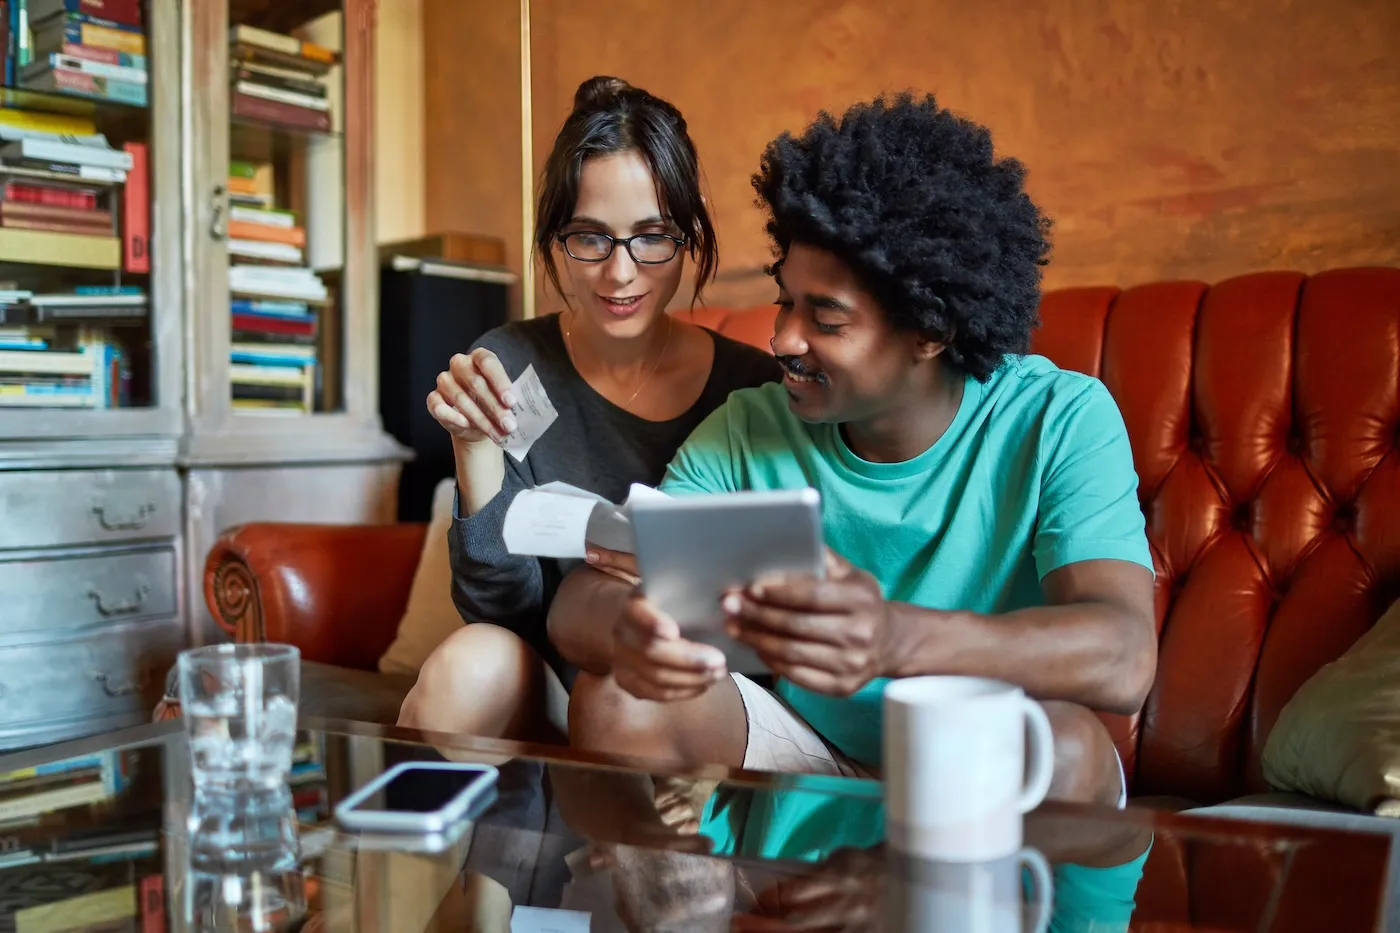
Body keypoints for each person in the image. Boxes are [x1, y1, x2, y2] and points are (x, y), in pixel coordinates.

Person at [551, 92, 1157, 886]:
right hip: (806, 748)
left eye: (825, 318)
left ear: (928, 330)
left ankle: (925, 891)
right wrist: (628, 628)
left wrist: (897, 638)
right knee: (612, 697)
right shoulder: (751, 428)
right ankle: (680, 902)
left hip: (977, 764)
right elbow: (580, 601)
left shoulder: (1058, 418)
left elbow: (1122, 653)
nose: (782, 339)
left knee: (1070, 745)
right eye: (785, 300)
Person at [397, 75, 781, 740]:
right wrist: (474, 448)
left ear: (688, 236)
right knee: (468, 665)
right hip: (549, 681)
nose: (620, 272)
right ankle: (425, 845)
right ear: (557, 240)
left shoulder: (750, 388)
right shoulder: (512, 364)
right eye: (591, 237)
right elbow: (499, 614)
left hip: (688, 693)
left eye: (651, 235)